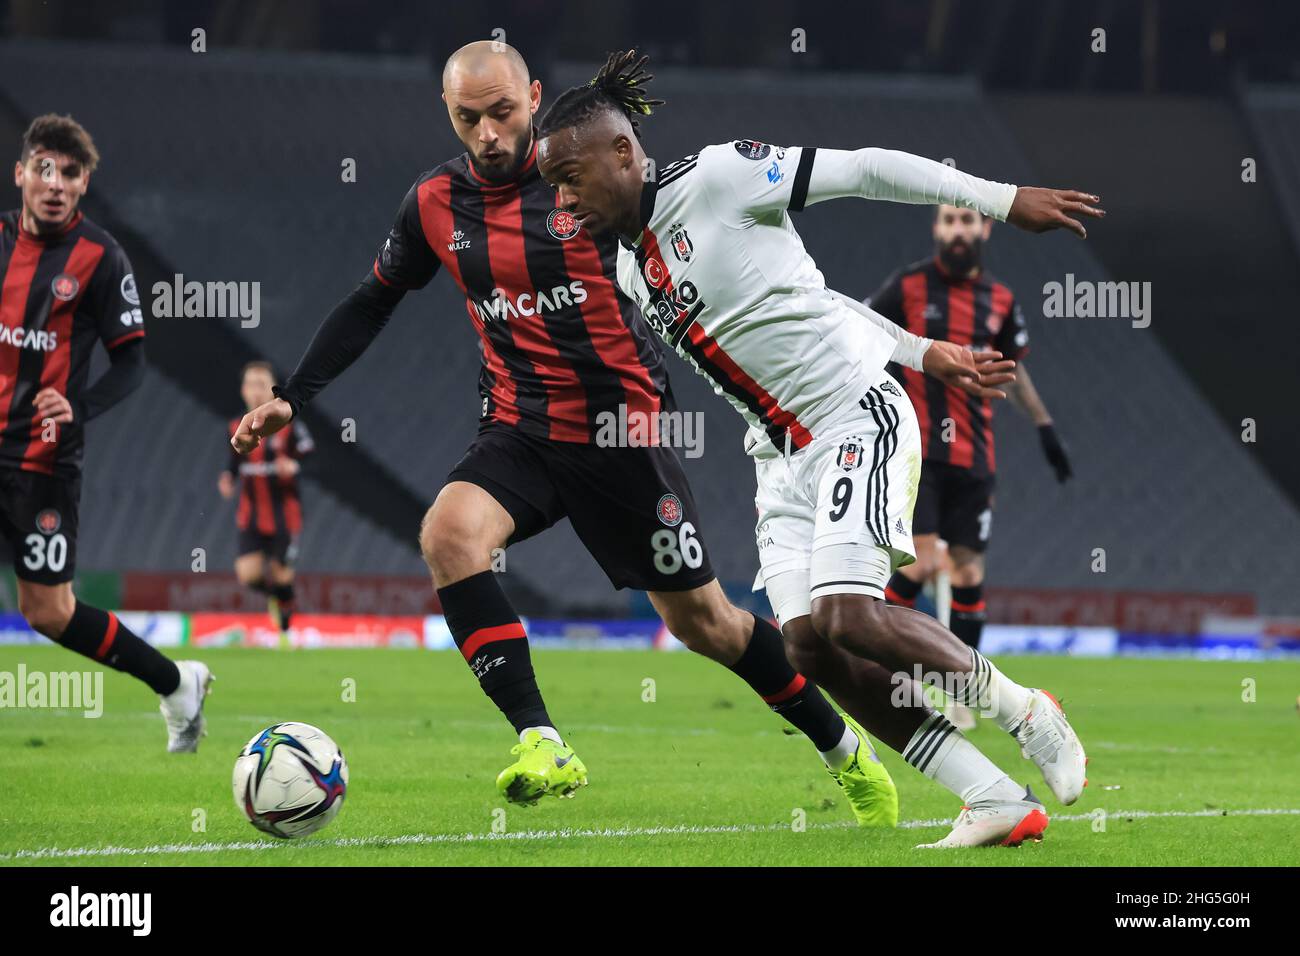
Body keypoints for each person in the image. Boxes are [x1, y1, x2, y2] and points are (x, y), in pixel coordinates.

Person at [233, 41, 904, 825]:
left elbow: (699, 257)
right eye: (467, 118)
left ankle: (842, 748)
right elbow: (372, 298)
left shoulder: (587, 186)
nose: (487, 133)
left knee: (704, 623)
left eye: (502, 113)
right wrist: (293, 394)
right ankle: (541, 739)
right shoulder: (433, 205)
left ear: (534, 96)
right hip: (519, 424)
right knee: (450, 535)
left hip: (621, 431)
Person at [535, 50, 1101, 847]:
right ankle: (992, 797)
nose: (563, 201)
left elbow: (866, 168)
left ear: (623, 153)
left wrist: (1003, 201)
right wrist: (921, 347)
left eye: (570, 178)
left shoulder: (721, 178)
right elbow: (804, 297)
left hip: (851, 418)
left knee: (850, 616)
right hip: (777, 460)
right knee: (807, 644)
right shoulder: (632, 264)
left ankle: (1027, 712)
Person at [2, 114, 211, 752]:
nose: (55, 182)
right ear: (20, 174)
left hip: (42, 465)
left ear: (84, 182)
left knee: (50, 613)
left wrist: (77, 406)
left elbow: (132, 361)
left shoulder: (99, 257)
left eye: (69, 172)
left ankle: (176, 682)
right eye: (43, 167)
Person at [869, 205, 1072, 729]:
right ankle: (885, 665)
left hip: (976, 458)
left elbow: (1015, 370)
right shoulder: (908, 286)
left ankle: (962, 690)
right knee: (923, 563)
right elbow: (861, 331)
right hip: (919, 452)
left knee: (969, 572)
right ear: (937, 229)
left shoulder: (1001, 300)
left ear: (984, 229)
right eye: (948, 221)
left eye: (967, 221)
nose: (957, 229)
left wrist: (1045, 426)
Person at [220, 361, 313, 634]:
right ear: (242, 390)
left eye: (262, 384)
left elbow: (317, 459)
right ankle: (279, 598)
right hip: (251, 515)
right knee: (248, 575)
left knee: (283, 576)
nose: (255, 391)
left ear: (274, 391)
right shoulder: (235, 426)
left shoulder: (290, 426)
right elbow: (234, 459)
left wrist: (295, 466)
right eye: (250, 384)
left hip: (285, 515)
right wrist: (228, 476)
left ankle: (285, 606)